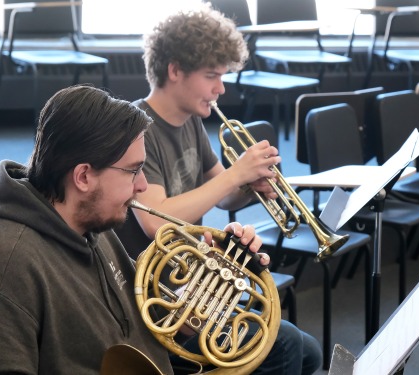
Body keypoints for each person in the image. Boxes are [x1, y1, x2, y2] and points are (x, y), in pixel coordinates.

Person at [0, 84, 270, 374]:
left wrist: (213, 280)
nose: (143, 186)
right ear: (83, 177)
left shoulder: (91, 227)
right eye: (133, 171)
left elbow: (150, 328)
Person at [115, 4, 323, 375]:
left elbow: (221, 193)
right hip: (156, 298)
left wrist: (248, 185)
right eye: (212, 75)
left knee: (310, 352)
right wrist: (235, 174)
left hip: (193, 280)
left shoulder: (190, 122)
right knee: (287, 344)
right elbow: (154, 220)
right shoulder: (139, 128)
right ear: (174, 70)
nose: (220, 88)